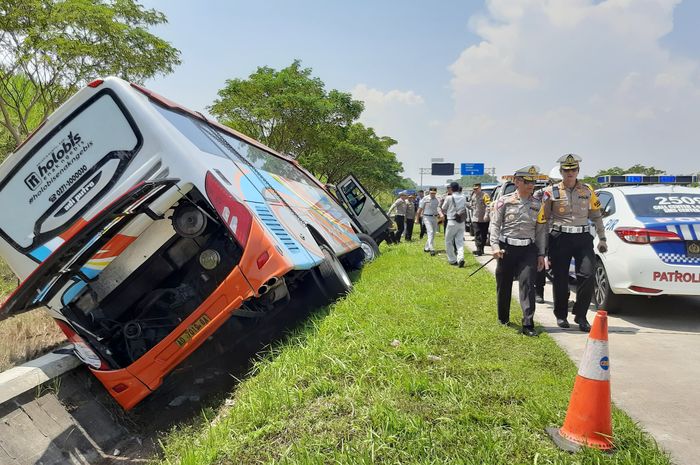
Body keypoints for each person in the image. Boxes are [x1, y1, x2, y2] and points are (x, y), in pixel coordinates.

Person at [538, 154, 608, 332]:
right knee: (560, 279)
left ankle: (581, 315)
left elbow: (596, 215)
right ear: (561, 172)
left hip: (582, 238)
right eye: (566, 170)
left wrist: (602, 238)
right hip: (560, 238)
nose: (570, 173)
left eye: (573, 169)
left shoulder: (587, 190)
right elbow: (544, 219)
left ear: (578, 171)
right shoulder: (550, 192)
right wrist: (543, 247)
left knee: (588, 275)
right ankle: (561, 315)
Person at [489, 166, 546, 337]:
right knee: (503, 284)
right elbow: (495, 225)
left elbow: (541, 231)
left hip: (528, 249)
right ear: (517, 182)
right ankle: (503, 317)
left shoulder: (538, 204)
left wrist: (541, 254)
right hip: (507, 249)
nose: (531, 185)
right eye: (527, 181)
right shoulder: (503, 201)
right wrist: (495, 247)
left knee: (527, 284)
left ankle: (528, 322)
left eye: (533, 182)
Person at [441, 181, 467, 267]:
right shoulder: (463, 197)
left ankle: (452, 260)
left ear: (451, 189)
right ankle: (461, 258)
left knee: (448, 241)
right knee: (459, 241)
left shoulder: (449, 198)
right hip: (461, 221)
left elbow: (443, 208)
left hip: (452, 221)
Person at [417, 187, 440, 255]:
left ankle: (426, 248)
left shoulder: (438, 199)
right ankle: (431, 249)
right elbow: (420, 209)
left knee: (433, 234)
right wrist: (417, 218)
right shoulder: (425, 198)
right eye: (431, 193)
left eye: (434, 193)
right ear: (429, 192)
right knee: (430, 232)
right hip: (427, 217)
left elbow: (439, 208)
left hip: (435, 217)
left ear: (436, 193)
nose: (432, 194)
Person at [470, 182, 491, 256]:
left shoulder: (485, 195)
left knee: (484, 234)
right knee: (477, 234)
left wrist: (486, 214)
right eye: (474, 189)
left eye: (476, 189)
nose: (475, 190)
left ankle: (481, 249)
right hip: (476, 218)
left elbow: (488, 206)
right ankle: (478, 249)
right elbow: (471, 205)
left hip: (484, 219)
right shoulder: (473, 195)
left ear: (480, 188)